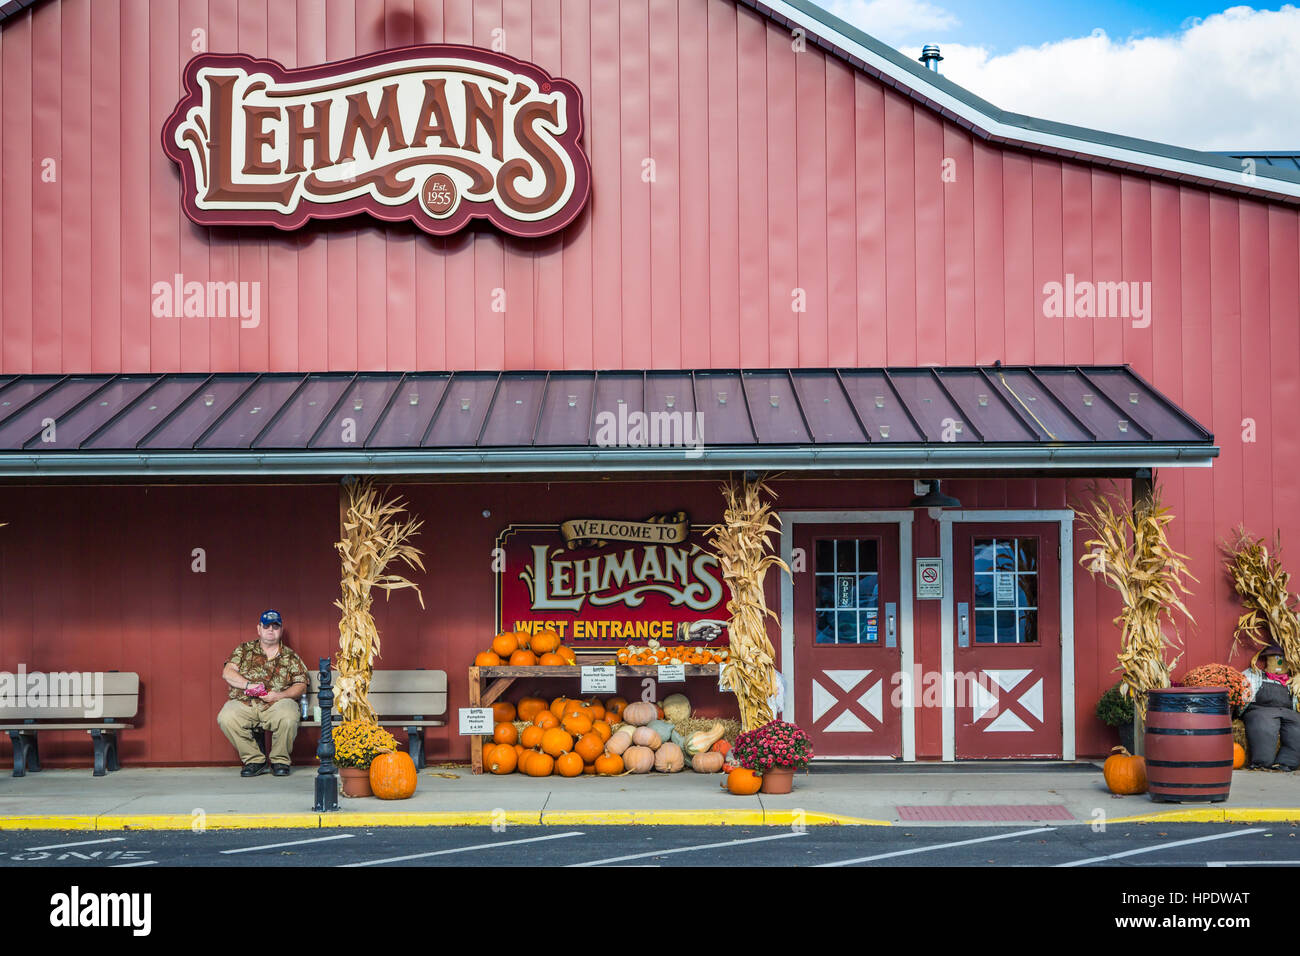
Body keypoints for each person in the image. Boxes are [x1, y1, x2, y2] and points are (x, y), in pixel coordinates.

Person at [217, 610, 308, 777]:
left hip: (276, 704)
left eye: (275, 626)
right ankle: (255, 760)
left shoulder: (290, 656)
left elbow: (301, 685)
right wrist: (248, 685)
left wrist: (278, 696)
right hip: (246, 703)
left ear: (281, 630)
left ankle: (280, 760)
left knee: (288, 714)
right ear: (259, 629)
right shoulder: (244, 650)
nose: (271, 630)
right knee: (226, 716)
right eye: (266, 626)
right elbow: (227, 672)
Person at [1240, 643, 1300, 771]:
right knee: (1264, 728)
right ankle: (1262, 763)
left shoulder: (1294, 681)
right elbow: (1242, 696)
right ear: (1267, 659)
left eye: (1282, 658)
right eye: (1274, 658)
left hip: (1288, 712)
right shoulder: (1254, 676)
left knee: (1297, 729)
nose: (1279, 661)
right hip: (1261, 710)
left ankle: (1286, 763)